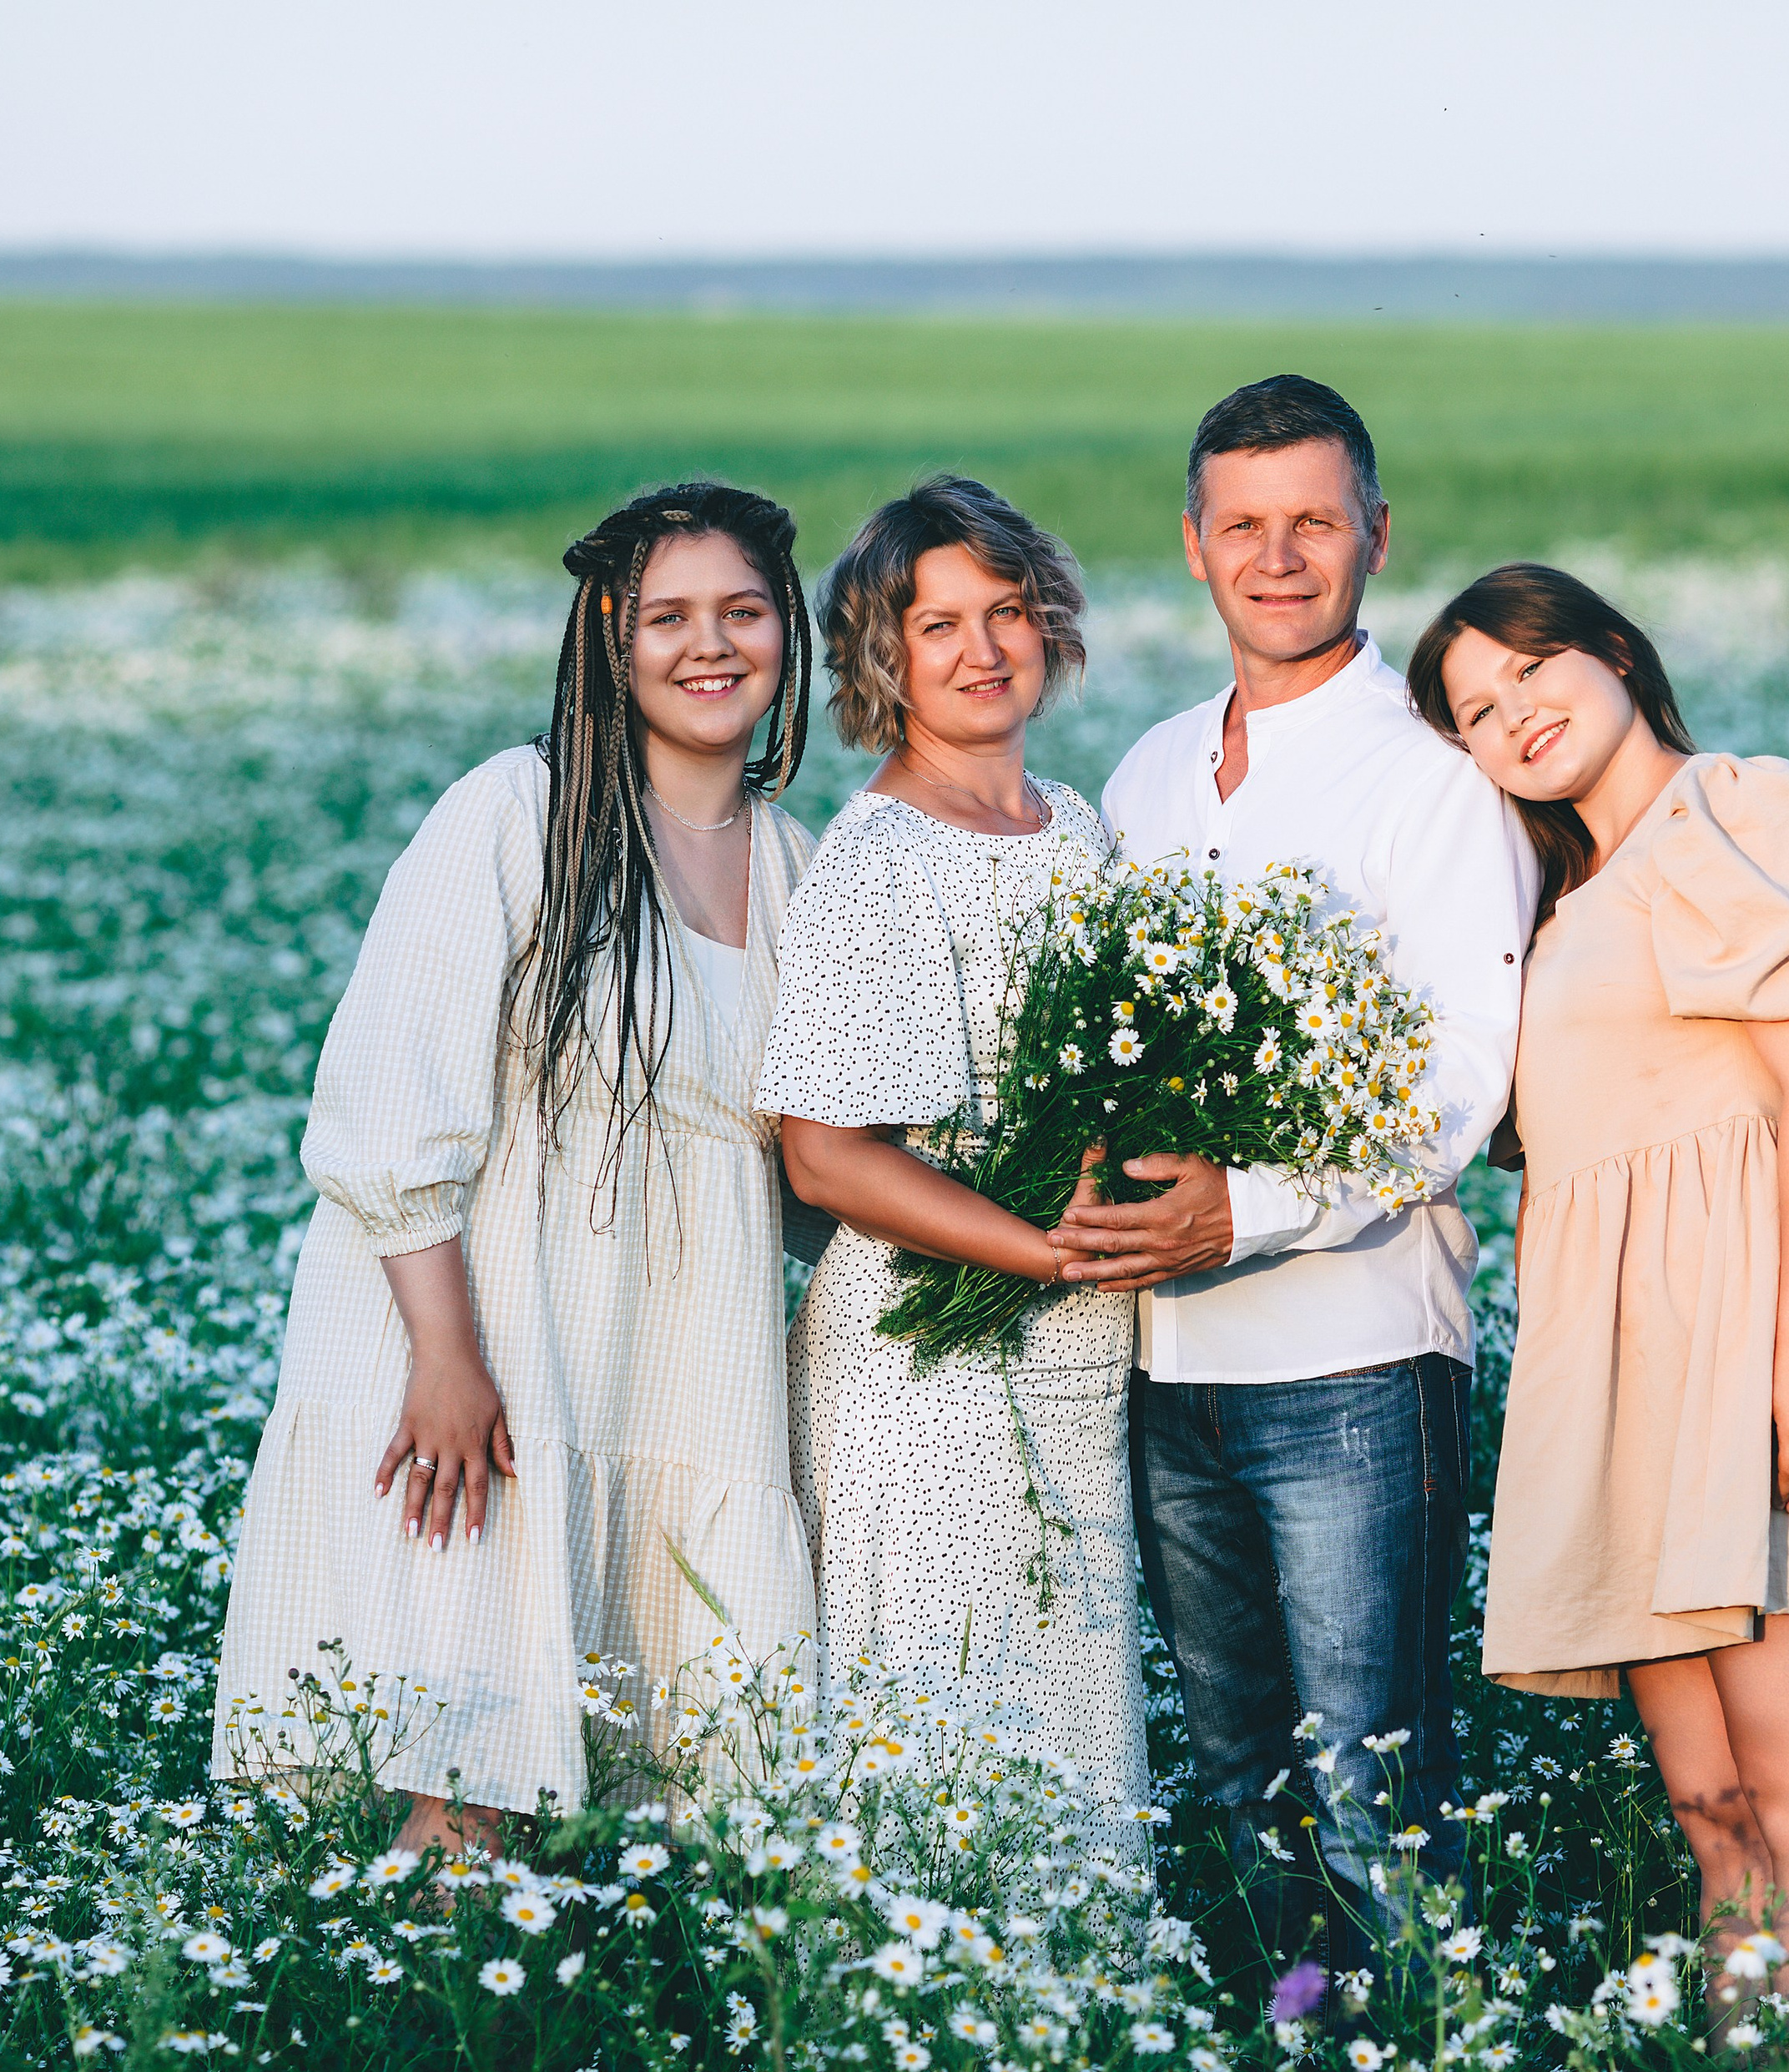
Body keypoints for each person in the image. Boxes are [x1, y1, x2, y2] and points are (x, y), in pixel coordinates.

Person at [214, 482, 823, 1852]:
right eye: (668, 617)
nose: (708, 645)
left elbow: (809, 1169)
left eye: (743, 611)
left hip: (680, 1366)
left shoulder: (796, 868)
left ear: (788, 628)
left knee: (661, 1803)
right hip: (495, 1349)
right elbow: (389, 1105)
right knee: (466, 1770)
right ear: (612, 639)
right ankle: (432, 2049)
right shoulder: (517, 813)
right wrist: (443, 1356)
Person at [1409, 561, 1789, 1996]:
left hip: (1759, 1351)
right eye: (1478, 710)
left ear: (1613, 650)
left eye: (1532, 669)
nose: (1515, 714)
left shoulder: (1727, 809)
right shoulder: (1560, 892)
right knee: (1715, 1827)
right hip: (1631, 1389)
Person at [1051, 378, 1538, 1972]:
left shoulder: (1434, 781)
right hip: (1161, 1364)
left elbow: (1457, 1088)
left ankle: (1420, 2069)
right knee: (1239, 1782)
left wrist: (1242, 1207)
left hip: (1352, 1361)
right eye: (1244, 525)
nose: (1279, 557)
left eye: (1314, 522)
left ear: (1376, 538)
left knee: (1374, 1786)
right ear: (1194, 547)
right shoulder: (1142, 777)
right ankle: (1297, 2067)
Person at [758, 476, 1148, 1817]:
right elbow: (823, 1156)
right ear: (885, 656)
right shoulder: (881, 858)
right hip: (926, 1359)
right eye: (939, 626)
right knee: (945, 1720)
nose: (984, 651)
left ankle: (1079, 2017)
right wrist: (1042, 1251)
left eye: (1010, 611)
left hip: (1078, 1351)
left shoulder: (1080, 828)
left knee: (1070, 1716)